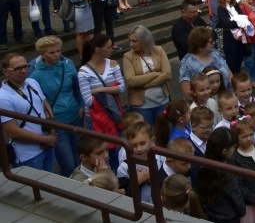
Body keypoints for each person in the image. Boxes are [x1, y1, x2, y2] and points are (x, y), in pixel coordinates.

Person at [28, 36, 83, 175]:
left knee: (79, 158)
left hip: (75, 116)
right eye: (51, 52)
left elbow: (77, 87)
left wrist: (82, 104)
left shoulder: (68, 65)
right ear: (42, 54)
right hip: (56, 121)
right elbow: (36, 101)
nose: (56, 55)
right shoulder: (35, 75)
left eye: (58, 51)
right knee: (68, 164)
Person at [1, 52, 57, 171]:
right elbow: (12, 131)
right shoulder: (3, 97)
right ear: (6, 72)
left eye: (25, 66)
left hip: (47, 145)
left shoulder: (32, 82)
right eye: (18, 69)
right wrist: (46, 139)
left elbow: (46, 107)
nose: (23, 71)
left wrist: (51, 133)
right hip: (28, 155)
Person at [78, 34, 125, 170]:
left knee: (116, 151)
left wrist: (99, 90)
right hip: (96, 119)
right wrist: (111, 90)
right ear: (98, 50)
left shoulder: (113, 64)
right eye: (109, 47)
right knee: (101, 152)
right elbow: (88, 101)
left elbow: (122, 88)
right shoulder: (83, 72)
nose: (112, 49)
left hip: (114, 114)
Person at [122, 25, 171, 125]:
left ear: (144, 40)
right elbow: (132, 81)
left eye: (134, 41)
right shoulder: (128, 56)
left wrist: (142, 84)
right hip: (141, 106)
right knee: (144, 132)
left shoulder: (159, 50)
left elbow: (167, 75)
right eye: (130, 41)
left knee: (163, 131)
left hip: (162, 102)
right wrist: (155, 74)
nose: (131, 44)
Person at [197, 127, 247, 223]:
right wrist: (243, 211)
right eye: (233, 147)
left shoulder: (202, 165)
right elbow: (237, 200)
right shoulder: (227, 174)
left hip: (210, 215)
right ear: (224, 151)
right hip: (229, 219)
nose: (234, 150)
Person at [179, 27, 232, 100]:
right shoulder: (186, 63)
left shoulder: (215, 54)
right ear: (201, 46)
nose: (214, 43)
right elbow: (188, 93)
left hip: (224, 99)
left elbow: (229, 74)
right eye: (211, 42)